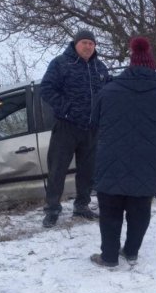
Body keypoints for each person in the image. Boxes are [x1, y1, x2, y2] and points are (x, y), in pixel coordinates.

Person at [90, 36, 156, 268]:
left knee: (110, 211)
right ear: (153, 68)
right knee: (140, 210)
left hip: (111, 161)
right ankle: (131, 252)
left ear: (130, 65)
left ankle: (109, 257)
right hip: (150, 163)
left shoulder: (108, 91)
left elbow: (94, 123)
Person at [40, 29, 111, 228]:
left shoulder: (99, 67)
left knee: (88, 171)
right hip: (66, 126)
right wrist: (67, 109)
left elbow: (109, 90)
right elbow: (46, 89)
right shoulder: (61, 63)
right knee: (57, 170)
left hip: (91, 128)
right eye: (84, 43)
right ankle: (52, 210)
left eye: (91, 43)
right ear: (76, 44)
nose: (88, 46)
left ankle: (82, 206)